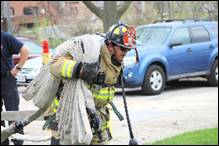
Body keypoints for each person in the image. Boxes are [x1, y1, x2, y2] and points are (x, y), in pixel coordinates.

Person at [49, 23, 137, 145]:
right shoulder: (91, 54)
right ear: (110, 46)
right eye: (123, 48)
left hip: (97, 119)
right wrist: (79, 69)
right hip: (69, 118)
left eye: (128, 49)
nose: (126, 52)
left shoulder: (116, 62)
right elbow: (54, 64)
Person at [1, 31, 29, 145]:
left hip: (7, 79)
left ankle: (18, 142)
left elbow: (25, 50)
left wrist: (18, 68)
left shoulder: (5, 37)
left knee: (13, 114)